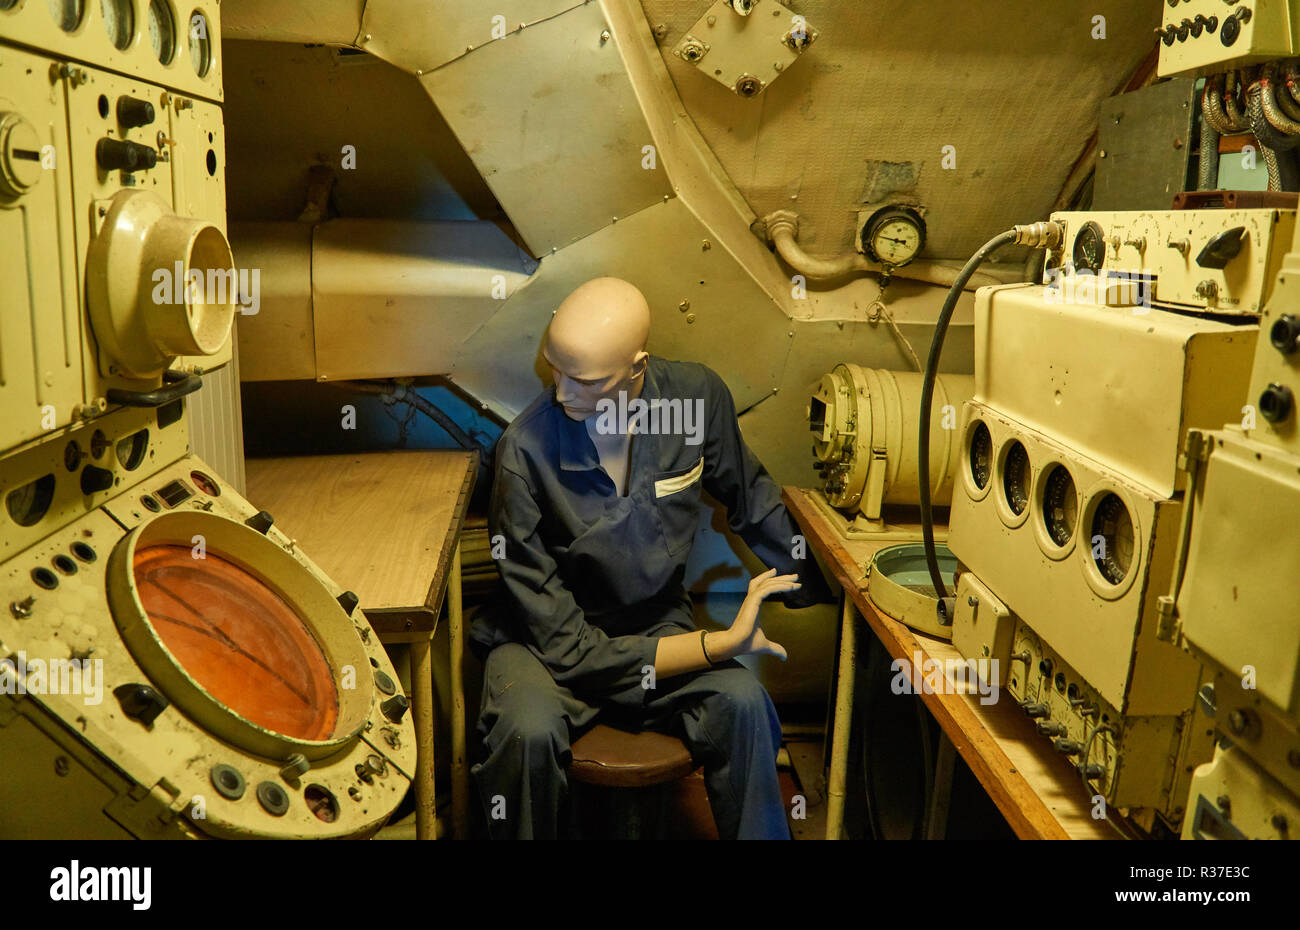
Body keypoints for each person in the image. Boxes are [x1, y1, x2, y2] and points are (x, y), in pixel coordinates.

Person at [469, 277, 835, 839]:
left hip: (654, 624)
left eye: (585, 381)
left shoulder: (694, 402)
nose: (563, 393)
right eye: (555, 370)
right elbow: (563, 642)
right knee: (526, 733)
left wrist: (830, 582)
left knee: (746, 707)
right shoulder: (523, 452)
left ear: (637, 366)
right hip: (544, 644)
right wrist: (716, 646)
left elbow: (753, 501)